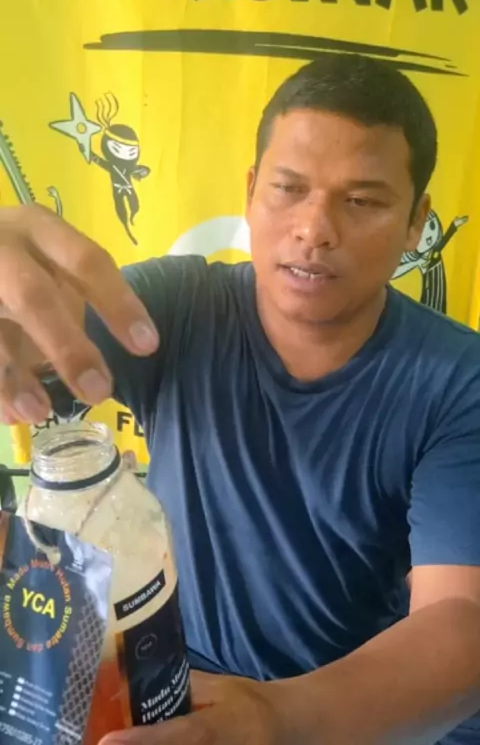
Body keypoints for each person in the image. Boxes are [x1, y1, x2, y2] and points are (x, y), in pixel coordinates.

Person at [1, 54, 480, 745]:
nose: (314, 229)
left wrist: (276, 718)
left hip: (356, 716)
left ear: (416, 222)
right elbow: (39, 346)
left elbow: (463, 619)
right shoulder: (177, 307)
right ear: (252, 190)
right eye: (288, 188)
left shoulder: (459, 381)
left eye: (362, 201)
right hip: (176, 687)